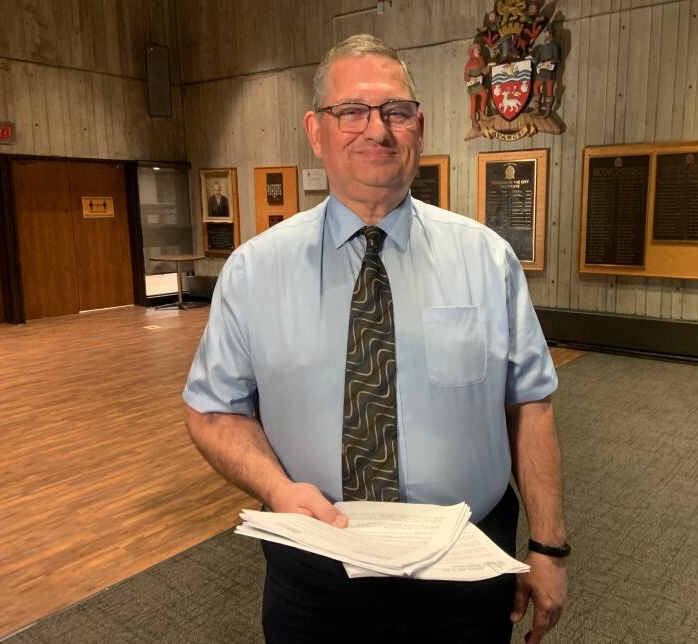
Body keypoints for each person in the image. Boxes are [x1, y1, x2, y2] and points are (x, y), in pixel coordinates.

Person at [183, 33, 567, 644]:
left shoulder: (487, 260)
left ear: (419, 126)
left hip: (465, 568)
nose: (377, 131)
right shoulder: (254, 271)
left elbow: (531, 406)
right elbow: (212, 410)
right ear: (316, 131)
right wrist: (276, 488)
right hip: (316, 571)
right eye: (351, 112)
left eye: (396, 111)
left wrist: (548, 546)